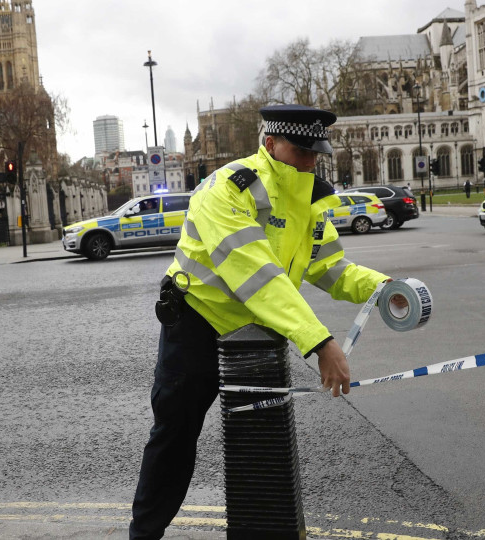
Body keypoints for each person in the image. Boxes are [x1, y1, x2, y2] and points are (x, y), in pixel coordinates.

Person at [129, 104, 403, 539]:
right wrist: (318, 342)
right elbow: (258, 276)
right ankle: (143, 535)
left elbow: (332, 268)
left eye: (317, 152)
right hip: (198, 326)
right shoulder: (230, 188)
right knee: (174, 441)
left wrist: (385, 288)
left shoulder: (308, 200)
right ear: (270, 143)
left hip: (255, 338)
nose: (312, 161)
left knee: (261, 444)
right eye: (302, 150)